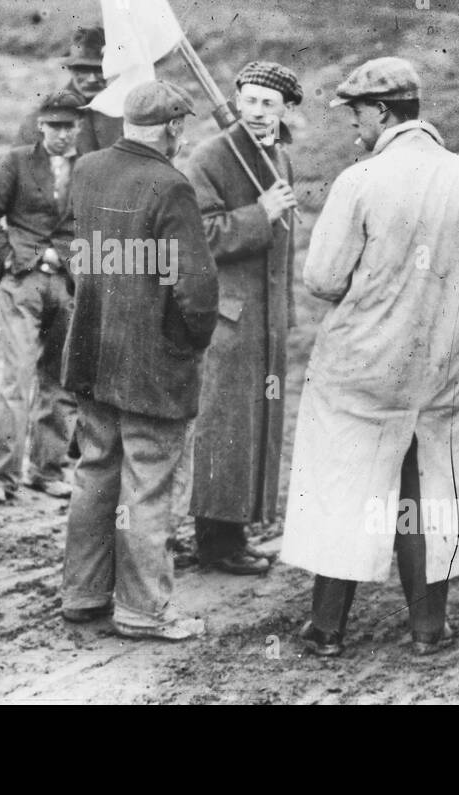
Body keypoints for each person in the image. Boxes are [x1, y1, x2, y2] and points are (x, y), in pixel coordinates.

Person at [281, 57, 459, 656]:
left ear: (382, 112)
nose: (355, 126)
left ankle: (327, 629)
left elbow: (323, 278)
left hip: (362, 365)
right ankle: (429, 629)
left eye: (357, 113)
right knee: (427, 491)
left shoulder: (360, 180)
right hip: (440, 364)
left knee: (347, 485)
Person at [60, 80, 219, 642]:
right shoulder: (171, 185)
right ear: (174, 128)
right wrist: (189, 341)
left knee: (95, 472)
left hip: (92, 354)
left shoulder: (87, 168)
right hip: (152, 362)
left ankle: (83, 593)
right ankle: (143, 610)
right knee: (149, 482)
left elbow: (70, 243)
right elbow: (195, 290)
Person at [183, 60, 301, 575]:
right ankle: (215, 541)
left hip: (267, 319)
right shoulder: (210, 157)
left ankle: (236, 533)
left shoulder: (277, 157)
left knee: (256, 427)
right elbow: (200, 236)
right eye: (249, 100)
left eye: (268, 103)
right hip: (229, 319)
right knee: (225, 426)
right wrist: (261, 215)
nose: (257, 112)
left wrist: (285, 312)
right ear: (236, 99)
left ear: (285, 108)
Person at [0, 89, 85, 505]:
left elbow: (101, 225)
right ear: (41, 125)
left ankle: (47, 470)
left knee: (60, 382)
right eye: (54, 125)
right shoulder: (18, 162)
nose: (61, 134)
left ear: (80, 126)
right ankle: (0, 477)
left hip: (68, 286)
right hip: (23, 283)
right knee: (17, 379)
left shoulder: (89, 170)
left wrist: (73, 261)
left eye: (69, 125)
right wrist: (10, 258)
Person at [17, 26, 122, 155]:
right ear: (71, 70)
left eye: (100, 70)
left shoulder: (125, 112)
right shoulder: (44, 114)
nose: (92, 79)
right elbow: (21, 164)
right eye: (83, 70)